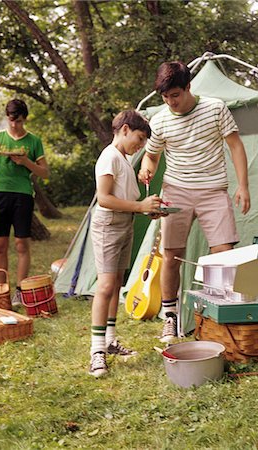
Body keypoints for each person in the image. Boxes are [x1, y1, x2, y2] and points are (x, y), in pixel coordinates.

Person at [138, 61, 251, 343]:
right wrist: (146, 167)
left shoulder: (215, 108)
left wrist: (244, 186)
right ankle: (170, 318)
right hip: (176, 192)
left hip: (214, 190)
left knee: (223, 256)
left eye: (175, 95)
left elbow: (236, 145)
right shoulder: (161, 120)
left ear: (188, 87)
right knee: (172, 257)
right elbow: (151, 155)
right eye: (165, 97)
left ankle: (217, 317)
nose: (170, 102)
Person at [89, 110, 163, 378]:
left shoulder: (123, 159)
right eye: (140, 138)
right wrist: (140, 206)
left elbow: (126, 199)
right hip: (109, 226)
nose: (141, 145)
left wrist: (147, 209)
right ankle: (96, 352)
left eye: (144, 141)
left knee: (116, 284)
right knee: (106, 286)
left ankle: (109, 340)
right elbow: (105, 198)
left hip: (124, 225)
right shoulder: (109, 156)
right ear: (124, 129)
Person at [0, 99, 50, 305]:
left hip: (22, 195)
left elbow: (45, 173)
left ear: (25, 119)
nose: (15, 125)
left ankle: (20, 292)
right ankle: (1, 292)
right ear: (7, 118)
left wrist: (26, 162)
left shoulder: (33, 141)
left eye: (20, 122)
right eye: (12, 121)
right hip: (0, 194)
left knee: (22, 244)